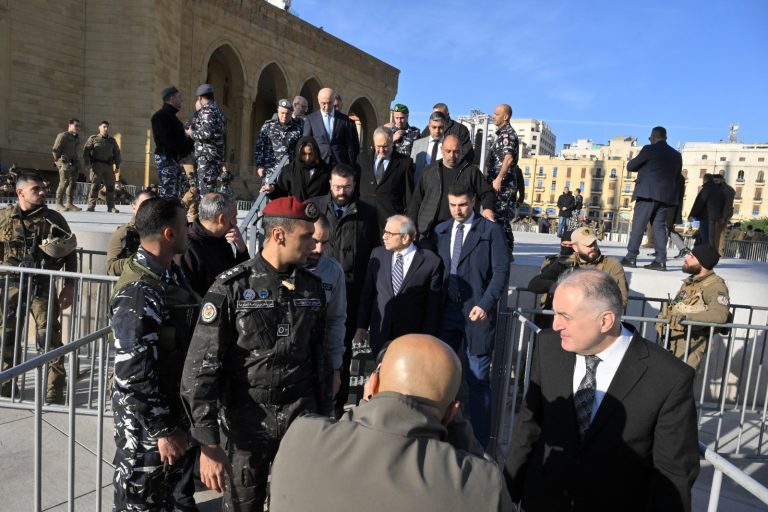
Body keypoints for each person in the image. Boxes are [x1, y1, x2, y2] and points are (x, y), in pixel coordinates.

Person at [180, 196, 330, 511]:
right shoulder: (231, 288)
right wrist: (208, 444)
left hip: (301, 421)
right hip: (247, 425)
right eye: (306, 238)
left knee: (298, 504)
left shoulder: (312, 288)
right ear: (279, 235)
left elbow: (320, 359)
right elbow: (200, 369)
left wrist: (324, 419)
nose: (314, 246)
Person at [506, 269, 700, 511]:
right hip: (543, 500)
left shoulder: (669, 377)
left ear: (605, 320)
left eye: (565, 316)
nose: (555, 325)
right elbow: (529, 426)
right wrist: (507, 494)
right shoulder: (548, 346)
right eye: (555, 313)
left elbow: (673, 475)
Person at [270, 334, 512, 512]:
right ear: (451, 414)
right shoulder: (482, 484)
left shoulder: (301, 436)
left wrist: (366, 406)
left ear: (372, 386)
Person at [109, 197, 200, 511]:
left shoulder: (167, 275)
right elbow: (132, 375)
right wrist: (163, 430)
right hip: (148, 434)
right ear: (169, 235)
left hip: (168, 419)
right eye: (185, 224)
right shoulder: (138, 291)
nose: (190, 229)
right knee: (141, 502)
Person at [435, 184, 509, 447]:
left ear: (474, 202)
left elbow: (500, 273)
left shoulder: (491, 232)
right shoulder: (441, 231)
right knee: (439, 373)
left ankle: (479, 444)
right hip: (447, 313)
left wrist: (486, 304)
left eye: (463, 204)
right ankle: (437, 432)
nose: (457, 210)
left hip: (478, 315)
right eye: (453, 205)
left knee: (477, 378)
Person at [0, 173, 77, 402]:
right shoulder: (4, 218)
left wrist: (69, 285)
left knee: (49, 339)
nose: (43, 192)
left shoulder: (53, 219)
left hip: (40, 287)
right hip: (10, 285)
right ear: (20, 192)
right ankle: (5, 385)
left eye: (43, 188)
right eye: (36, 189)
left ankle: (54, 392)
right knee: (7, 337)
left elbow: (70, 253)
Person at [310, 165, 380, 414]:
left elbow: (374, 255)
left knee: (344, 352)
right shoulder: (313, 207)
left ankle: (337, 408)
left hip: (351, 293)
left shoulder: (368, 213)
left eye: (347, 186)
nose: (342, 191)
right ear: (330, 183)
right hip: (314, 290)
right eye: (338, 186)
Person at [355, 215, 443, 355]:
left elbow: (432, 306)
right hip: (381, 334)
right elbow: (368, 294)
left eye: (389, 234)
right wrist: (361, 326)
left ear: (405, 238)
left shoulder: (431, 262)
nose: (384, 237)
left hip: (412, 339)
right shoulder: (377, 254)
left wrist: (428, 338)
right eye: (384, 232)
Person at [408, 135, 495, 250]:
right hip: (428, 232)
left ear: (462, 151)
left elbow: (487, 193)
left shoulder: (471, 172)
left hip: (459, 231)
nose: (452, 156)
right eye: (448, 151)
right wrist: (410, 227)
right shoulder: (429, 172)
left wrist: (488, 208)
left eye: (456, 152)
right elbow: (416, 201)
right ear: (441, 149)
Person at [657, 244, 730, 369]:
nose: (686, 258)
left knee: (681, 385)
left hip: (691, 346)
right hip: (672, 340)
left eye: (691, 256)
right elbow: (676, 304)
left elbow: (720, 315)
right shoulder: (690, 282)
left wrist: (687, 318)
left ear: (702, 263)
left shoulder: (716, 286)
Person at [621, 126, 683, 270]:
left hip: (647, 194)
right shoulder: (676, 155)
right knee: (659, 227)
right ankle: (661, 260)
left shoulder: (649, 149)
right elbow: (677, 177)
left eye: (650, 138)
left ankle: (631, 257)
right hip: (666, 197)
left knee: (639, 225)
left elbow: (631, 166)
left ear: (654, 137)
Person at [175, 192, 249, 297]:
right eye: (234, 217)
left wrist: (242, 251)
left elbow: (242, 280)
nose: (236, 222)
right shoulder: (187, 248)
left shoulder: (220, 238)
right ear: (221, 219)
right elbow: (188, 297)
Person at [305, 214, 346, 400]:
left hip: (319, 363)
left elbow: (336, 320)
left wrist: (336, 368)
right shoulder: (284, 267)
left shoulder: (333, 270)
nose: (319, 249)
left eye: (324, 243)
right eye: (314, 241)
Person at [357, 126, 415, 232]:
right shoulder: (362, 159)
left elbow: (409, 196)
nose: (381, 150)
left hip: (390, 220)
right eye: (378, 146)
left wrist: (409, 221)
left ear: (392, 142)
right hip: (364, 217)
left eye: (385, 146)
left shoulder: (404, 163)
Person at [486, 104, 524, 254]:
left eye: (496, 114)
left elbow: (508, 158)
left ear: (505, 117)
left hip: (504, 185)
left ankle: (505, 251)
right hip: (500, 183)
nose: (493, 116)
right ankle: (502, 250)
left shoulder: (508, 134)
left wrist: (498, 179)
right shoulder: (502, 134)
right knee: (498, 217)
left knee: (501, 218)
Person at [152, 85, 195, 200]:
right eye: (179, 97)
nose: (181, 100)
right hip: (166, 158)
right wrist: (185, 148)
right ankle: (165, 218)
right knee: (169, 195)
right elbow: (170, 141)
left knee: (175, 195)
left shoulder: (173, 118)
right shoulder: (161, 117)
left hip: (173, 159)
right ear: (171, 98)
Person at [186, 84, 228, 195]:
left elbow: (207, 132)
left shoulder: (207, 110)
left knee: (205, 193)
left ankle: (206, 212)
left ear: (200, 98)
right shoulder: (219, 111)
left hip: (206, 157)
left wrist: (191, 133)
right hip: (216, 156)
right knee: (211, 191)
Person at [260, 136, 331, 201]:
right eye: (304, 154)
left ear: (316, 153)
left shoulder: (325, 170)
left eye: (310, 154)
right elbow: (281, 191)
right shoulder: (289, 170)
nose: (307, 157)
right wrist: (272, 189)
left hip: (319, 212)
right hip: (296, 212)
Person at [302, 87, 359, 167]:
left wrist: (350, 165)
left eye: (330, 103)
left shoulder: (344, 120)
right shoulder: (311, 119)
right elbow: (306, 142)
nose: (327, 106)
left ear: (334, 100)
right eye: (323, 103)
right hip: (319, 163)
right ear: (318, 101)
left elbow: (350, 145)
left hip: (339, 164)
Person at [106, 190, 157, 276]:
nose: (149, 209)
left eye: (153, 206)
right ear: (133, 207)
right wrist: (139, 260)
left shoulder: (161, 232)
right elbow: (111, 268)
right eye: (144, 205)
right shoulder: (123, 233)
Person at [254, 98, 303, 183]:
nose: (284, 116)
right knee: (269, 194)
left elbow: (300, 149)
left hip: (290, 171)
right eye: (282, 113)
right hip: (270, 170)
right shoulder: (268, 125)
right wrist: (259, 166)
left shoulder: (298, 128)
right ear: (278, 110)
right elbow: (259, 147)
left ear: (292, 113)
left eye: (287, 114)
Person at [83, 120, 122, 213]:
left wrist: (117, 165)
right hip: (96, 165)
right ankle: (91, 206)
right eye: (104, 127)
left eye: (107, 127)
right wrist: (87, 163)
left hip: (108, 166)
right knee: (95, 186)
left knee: (110, 187)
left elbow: (117, 153)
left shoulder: (112, 141)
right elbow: (86, 151)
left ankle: (111, 207)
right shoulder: (93, 138)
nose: (106, 129)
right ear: (99, 128)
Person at [51, 118, 83, 211]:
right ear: (70, 125)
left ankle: (69, 203)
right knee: (64, 182)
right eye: (76, 125)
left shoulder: (76, 137)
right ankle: (58, 204)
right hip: (64, 162)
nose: (78, 127)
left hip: (73, 163)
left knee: (72, 183)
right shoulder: (63, 135)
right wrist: (58, 161)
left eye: (79, 126)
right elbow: (55, 149)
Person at [689, 173, 724, 249]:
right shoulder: (719, 190)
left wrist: (692, 214)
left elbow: (700, 203)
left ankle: (704, 252)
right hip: (715, 217)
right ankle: (707, 251)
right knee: (710, 236)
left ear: (704, 180)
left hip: (706, 216)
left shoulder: (707, 188)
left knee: (704, 235)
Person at [410, 111, 446, 184]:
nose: (437, 131)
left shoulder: (449, 145)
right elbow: (412, 168)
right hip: (420, 187)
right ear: (429, 126)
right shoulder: (418, 144)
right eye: (434, 127)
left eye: (440, 127)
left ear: (445, 126)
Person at [713, 174, 735, 256]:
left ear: (722, 180)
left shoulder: (728, 190)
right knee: (717, 232)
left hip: (723, 214)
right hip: (717, 213)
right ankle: (717, 251)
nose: (715, 182)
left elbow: (728, 205)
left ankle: (718, 251)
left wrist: (724, 216)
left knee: (719, 232)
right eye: (714, 181)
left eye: (717, 181)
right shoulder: (717, 188)